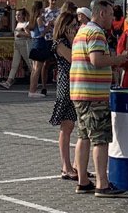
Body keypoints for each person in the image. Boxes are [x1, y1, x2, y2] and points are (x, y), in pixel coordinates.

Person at [70, 0, 128, 197]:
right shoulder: (96, 32)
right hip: (93, 94)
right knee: (100, 138)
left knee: (83, 136)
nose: (112, 19)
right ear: (101, 14)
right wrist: (119, 59)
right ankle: (102, 184)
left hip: (79, 92)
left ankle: (83, 180)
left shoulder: (82, 31)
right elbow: (96, 60)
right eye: (110, 15)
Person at [49, 11, 80, 180]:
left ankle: (75, 165)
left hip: (75, 83)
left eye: (76, 25)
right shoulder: (60, 43)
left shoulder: (71, 41)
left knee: (71, 124)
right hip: (65, 85)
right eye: (73, 25)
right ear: (65, 26)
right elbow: (73, 58)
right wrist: (71, 39)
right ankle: (66, 166)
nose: (76, 28)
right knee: (66, 126)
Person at [0, 7, 32, 90]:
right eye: (16, 15)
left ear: (23, 16)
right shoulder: (18, 24)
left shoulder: (26, 24)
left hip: (23, 44)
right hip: (17, 45)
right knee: (14, 64)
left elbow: (29, 35)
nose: (17, 16)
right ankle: (8, 82)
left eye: (19, 15)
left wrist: (21, 34)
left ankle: (35, 81)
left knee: (30, 64)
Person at [28, 0, 49, 98]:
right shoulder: (39, 18)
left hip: (34, 42)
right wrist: (49, 26)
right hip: (40, 43)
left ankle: (31, 90)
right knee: (37, 69)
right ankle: (33, 91)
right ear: (39, 8)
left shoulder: (32, 18)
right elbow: (42, 32)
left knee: (34, 69)